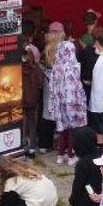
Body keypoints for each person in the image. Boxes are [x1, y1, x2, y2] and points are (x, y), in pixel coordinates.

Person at [45, 23, 86, 164]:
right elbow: (72, 71)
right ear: (62, 33)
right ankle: (71, 155)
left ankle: (60, 154)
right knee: (73, 126)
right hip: (70, 92)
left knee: (62, 125)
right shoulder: (68, 46)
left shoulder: (51, 49)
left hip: (58, 93)